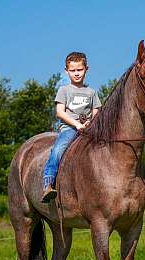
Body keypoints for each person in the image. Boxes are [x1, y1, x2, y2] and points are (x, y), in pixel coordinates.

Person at [41, 52, 101, 203]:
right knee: (58, 150)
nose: (76, 73)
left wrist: (89, 123)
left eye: (79, 70)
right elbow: (60, 112)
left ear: (86, 69)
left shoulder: (91, 92)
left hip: (88, 129)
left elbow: (97, 111)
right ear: (66, 71)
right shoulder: (64, 90)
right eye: (73, 70)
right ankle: (48, 183)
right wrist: (77, 125)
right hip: (69, 129)